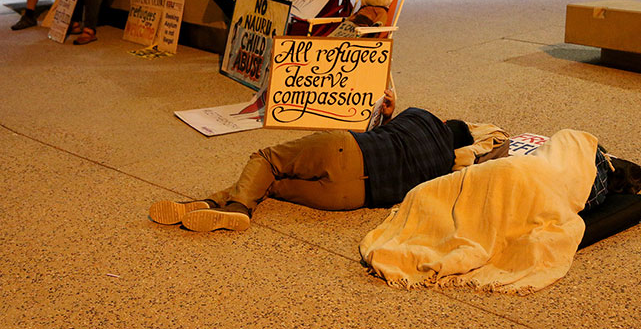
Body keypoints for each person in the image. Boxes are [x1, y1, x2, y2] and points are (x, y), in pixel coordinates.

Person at [148, 89, 478, 232]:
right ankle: (208, 204)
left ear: (446, 124)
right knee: (272, 184)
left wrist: (389, 115)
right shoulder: (442, 168)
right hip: (351, 198)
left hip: (348, 150)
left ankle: (236, 208)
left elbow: (388, 138)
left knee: (266, 159)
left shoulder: (423, 116)